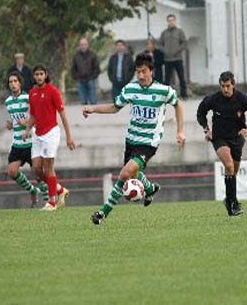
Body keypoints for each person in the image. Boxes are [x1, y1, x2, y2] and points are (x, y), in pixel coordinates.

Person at [84, 53, 186, 225]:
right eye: (138, 72)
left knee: (125, 174)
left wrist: (180, 131)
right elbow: (114, 107)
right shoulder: (130, 89)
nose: (140, 76)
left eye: (144, 71)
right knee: (134, 173)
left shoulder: (163, 90)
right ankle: (149, 189)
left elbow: (178, 105)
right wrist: (93, 108)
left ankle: (102, 213)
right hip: (131, 140)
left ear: (151, 71)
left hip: (148, 143)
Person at [196, 71, 247, 217]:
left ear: (233, 84)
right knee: (229, 166)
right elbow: (201, 112)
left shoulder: (243, 99)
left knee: (233, 171)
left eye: (228, 86)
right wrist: (207, 129)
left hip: (237, 138)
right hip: (219, 138)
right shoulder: (213, 99)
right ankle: (233, 204)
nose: (225, 89)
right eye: (223, 86)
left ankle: (229, 199)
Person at [22, 65, 76, 211]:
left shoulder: (52, 91)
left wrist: (69, 136)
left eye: (41, 74)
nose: (39, 76)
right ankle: (59, 190)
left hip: (51, 133)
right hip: (37, 134)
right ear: (33, 77)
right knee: (36, 170)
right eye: (37, 74)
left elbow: (62, 114)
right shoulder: (32, 93)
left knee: (48, 168)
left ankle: (52, 202)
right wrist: (27, 130)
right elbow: (32, 115)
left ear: (45, 75)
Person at [5, 71, 48, 207]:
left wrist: (28, 121)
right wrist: (11, 124)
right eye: (10, 82)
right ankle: (33, 190)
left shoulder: (28, 97)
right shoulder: (8, 102)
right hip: (17, 143)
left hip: (31, 142)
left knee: (38, 173)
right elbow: (14, 118)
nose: (13, 84)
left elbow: (37, 115)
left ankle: (48, 201)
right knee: (12, 172)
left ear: (20, 83)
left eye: (15, 81)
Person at [160, 14, 188, 99]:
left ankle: (184, 95)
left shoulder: (180, 31)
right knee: (167, 79)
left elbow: (184, 43)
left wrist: (177, 50)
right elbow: (160, 44)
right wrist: (165, 51)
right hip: (167, 59)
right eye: (169, 20)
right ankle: (166, 96)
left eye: (172, 20)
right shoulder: (164, 33)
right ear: (167, 22)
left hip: (178, 58)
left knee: (181, 77)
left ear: (175, 21)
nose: (171, 22)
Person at [71, 37, 100, 105]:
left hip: (90, 80)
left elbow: (97, 68)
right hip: (80, 80)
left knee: (93, 101)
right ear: (79, 46)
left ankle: (95, 114)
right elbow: (73, 68)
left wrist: (92, 77)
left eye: (84, 44)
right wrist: (76, 77)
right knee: (83, 102)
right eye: (82, 44)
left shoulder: (93, 55)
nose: (83, 46)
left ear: (88, 45)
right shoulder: (76, 56)